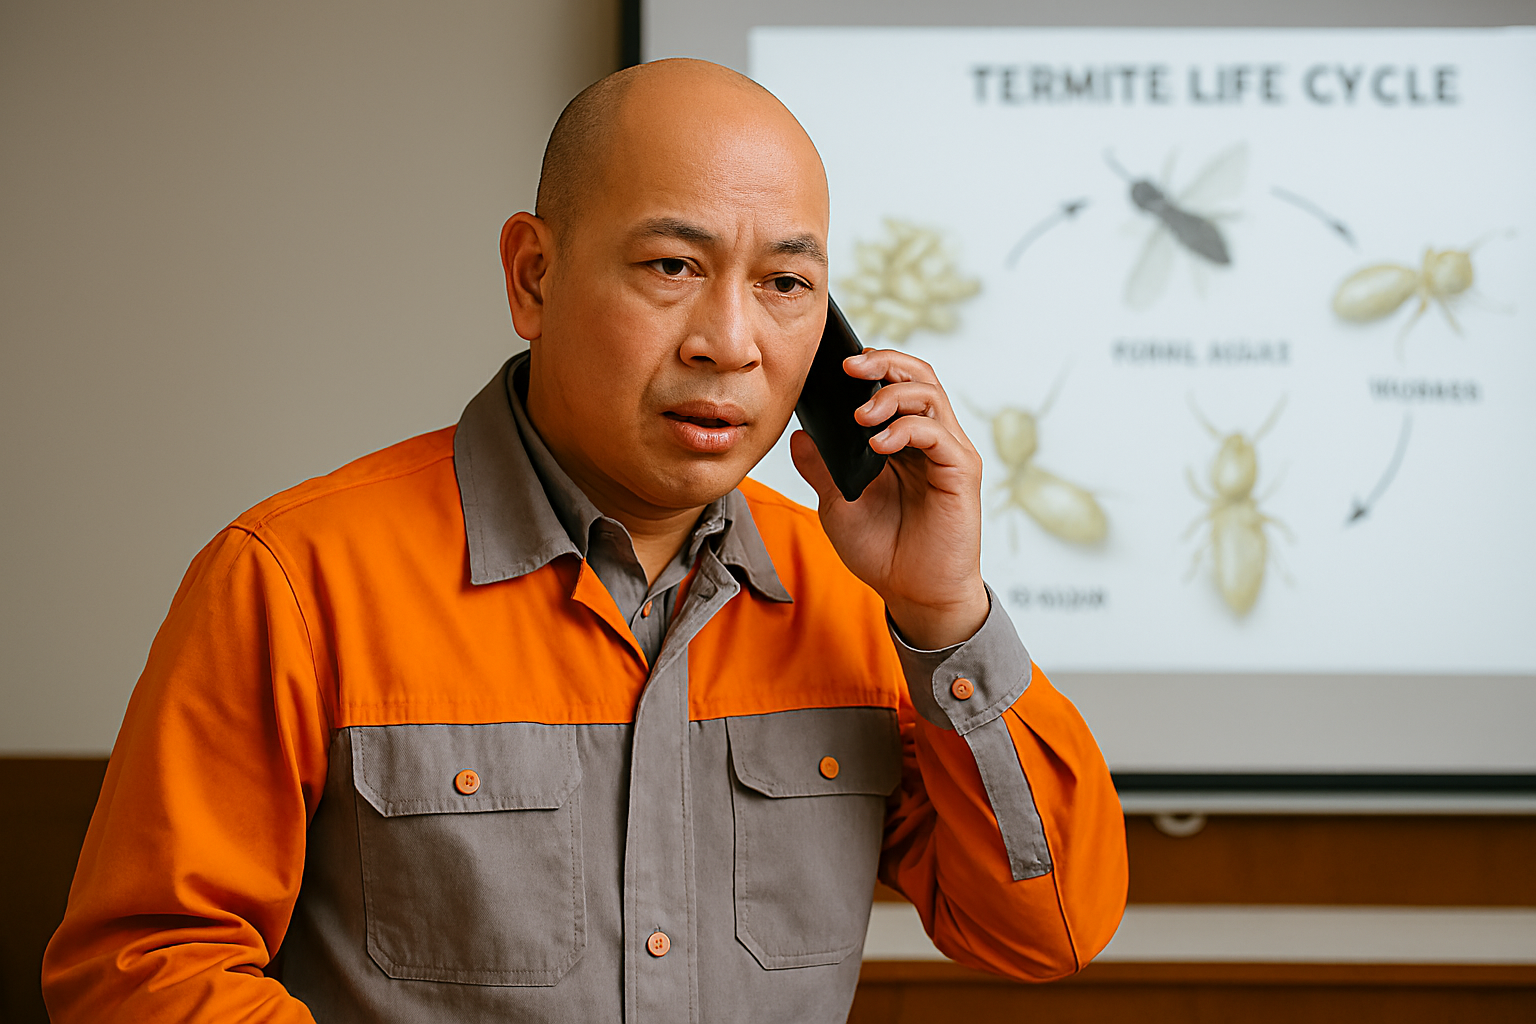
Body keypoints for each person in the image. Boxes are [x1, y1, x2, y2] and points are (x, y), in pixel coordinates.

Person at [42, 59, 1127, 1023]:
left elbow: (1048, 930)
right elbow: (140, 970)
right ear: (533, 276)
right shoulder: (291, 580)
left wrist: (945, 614)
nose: (731, 343)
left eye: (787, 284)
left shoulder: (857, 602)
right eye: (672, 266)